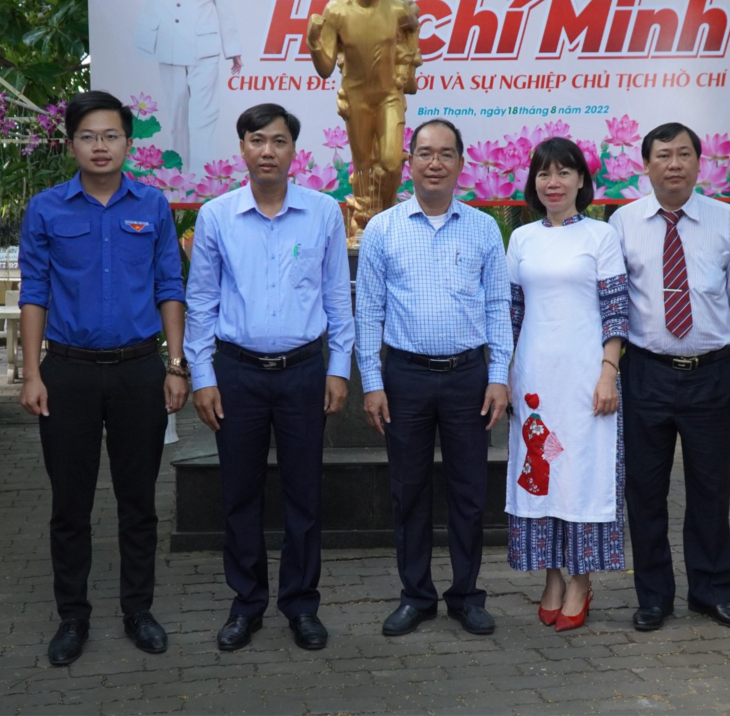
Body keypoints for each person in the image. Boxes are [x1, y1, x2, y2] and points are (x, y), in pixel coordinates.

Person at [18, 90, 188, 666]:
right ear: (71, 143)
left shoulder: (154, 205)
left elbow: (170, 286)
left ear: (127, 144)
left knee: (138, 500)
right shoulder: (47, 209)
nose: (100, 146)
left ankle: (138, 611)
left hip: (141, 371)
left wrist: (175, 364)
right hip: (67, 374)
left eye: (111, 136)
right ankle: (73, 617)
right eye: (88, 136)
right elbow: (34, 290)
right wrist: (32, 372)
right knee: (70, 504)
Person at [184, 103, 353, 652]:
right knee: (240, 494)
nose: (267, 151)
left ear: (293, 151)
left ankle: (301, 605)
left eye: (279, 141)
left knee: (305, 493)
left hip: (305, 371)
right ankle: (246, 603)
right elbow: (202, 302)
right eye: (257, 141)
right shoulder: (216, 216)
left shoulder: (324, 212)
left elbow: (336, 297)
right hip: (237, 373)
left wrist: (337, 368)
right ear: (242, 149)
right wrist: (203, 376)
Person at [608, 122, 730, 633]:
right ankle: (654, 597)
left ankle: (710, 593)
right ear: (647, 165)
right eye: (663, 155)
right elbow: (609, 303)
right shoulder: (622, 223)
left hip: (711, 375)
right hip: (645, 375)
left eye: (683, 154)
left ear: (700, 163)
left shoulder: (727, 221)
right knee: (645, 490)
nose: (673, 164)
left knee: (710, 488)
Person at [355, 118, 512, 637]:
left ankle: (465, 595)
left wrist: (498, 376)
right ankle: (416, 595)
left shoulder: (484, 228)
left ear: (461, 164)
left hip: (469, 376)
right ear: (410, 163)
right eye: (425, 153)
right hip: (405, 378)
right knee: (409, 490)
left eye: (446, 154)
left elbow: (497, 308)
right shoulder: (383, 228)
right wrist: (372, 382)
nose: (435, 163)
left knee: (469, 491)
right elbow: (368, 313)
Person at [504, 138, 628, 633]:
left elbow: (617, 309)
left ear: (581, 180)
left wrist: (608, 372)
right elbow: (510, 313)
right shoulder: (521, 239)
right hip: (535, 381)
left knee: (583, 478)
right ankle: (552, 576)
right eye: (543, 174)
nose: (552, 182)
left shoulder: (600, 236)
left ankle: (581, 579)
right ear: (534, 182)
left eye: (563, 173)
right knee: (542, 474)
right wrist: (503, 376)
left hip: (586, 381)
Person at [100, 0, 242, 172]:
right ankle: (179, 176)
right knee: (177, 118)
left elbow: (225, 8)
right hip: (169, 50)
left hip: (205, 52)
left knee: (204, 117)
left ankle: (204, 179)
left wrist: (233, 49)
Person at [307, 0, 421, 245]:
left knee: (391, 161)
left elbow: (412, 35)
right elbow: (325, 67)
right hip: (357, 98)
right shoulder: (337, 11)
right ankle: (365, 225)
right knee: (364, 166)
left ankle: (388, 216)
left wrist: (406, 68)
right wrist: (313, 42)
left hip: (389, 96)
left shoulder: (396, 10)